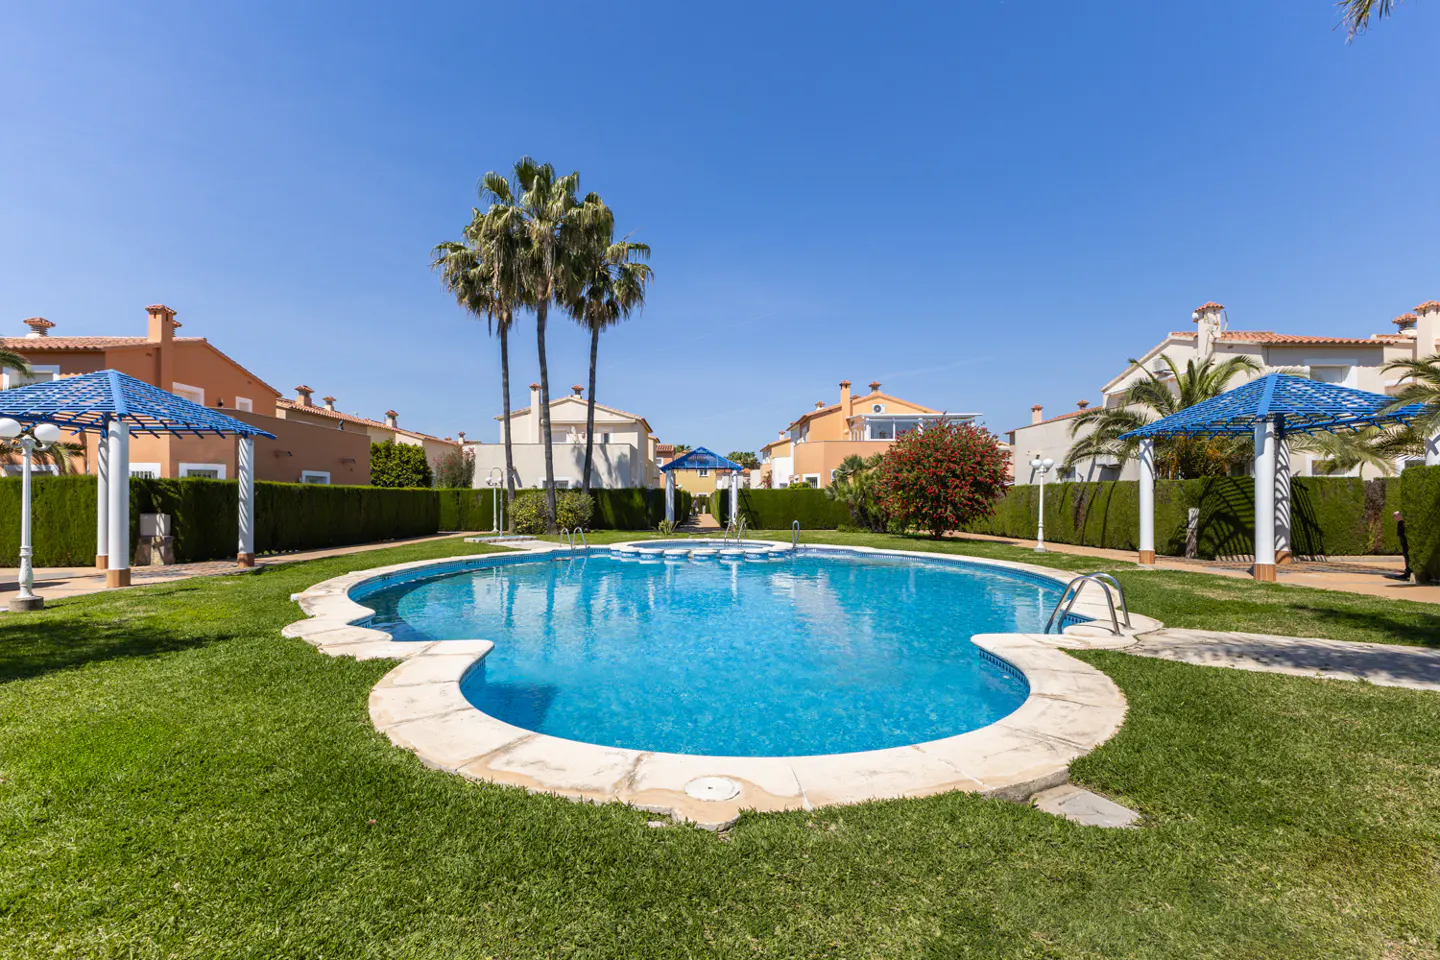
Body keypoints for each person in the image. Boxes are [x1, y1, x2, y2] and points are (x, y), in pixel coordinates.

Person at [1392, 510, 1413, 580]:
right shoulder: (1400, 523)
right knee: (1405, 555)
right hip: (1403, 541)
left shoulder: (1404, 522)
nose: (1394, 517)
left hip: (1406, 541)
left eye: (1396, 516)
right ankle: (1407, 571)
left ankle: (1409, 571)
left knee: (1407, 555)